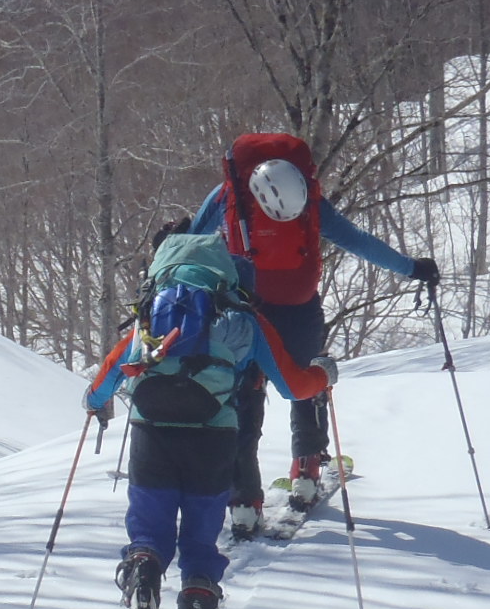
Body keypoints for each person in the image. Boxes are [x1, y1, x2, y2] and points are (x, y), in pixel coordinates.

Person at [84, 230, 332, 609]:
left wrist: (92, 402)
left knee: (150, 532)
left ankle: (144, 576)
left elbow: (107, 376)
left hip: (152, 436)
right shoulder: (242, 318)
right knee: (199, 542)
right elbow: (294, 385)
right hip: (215, 440)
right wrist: (324, 373)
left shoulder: (151, 313)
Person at [187, 132, 438, 536]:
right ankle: (305, 470)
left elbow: (193, 239)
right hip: (298, 308)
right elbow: (355, 239)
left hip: (243, 311)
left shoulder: (229, 193)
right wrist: (411, 268)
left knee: (243, 400)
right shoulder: (309, 196)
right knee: (307, 382)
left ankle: (243, 503)